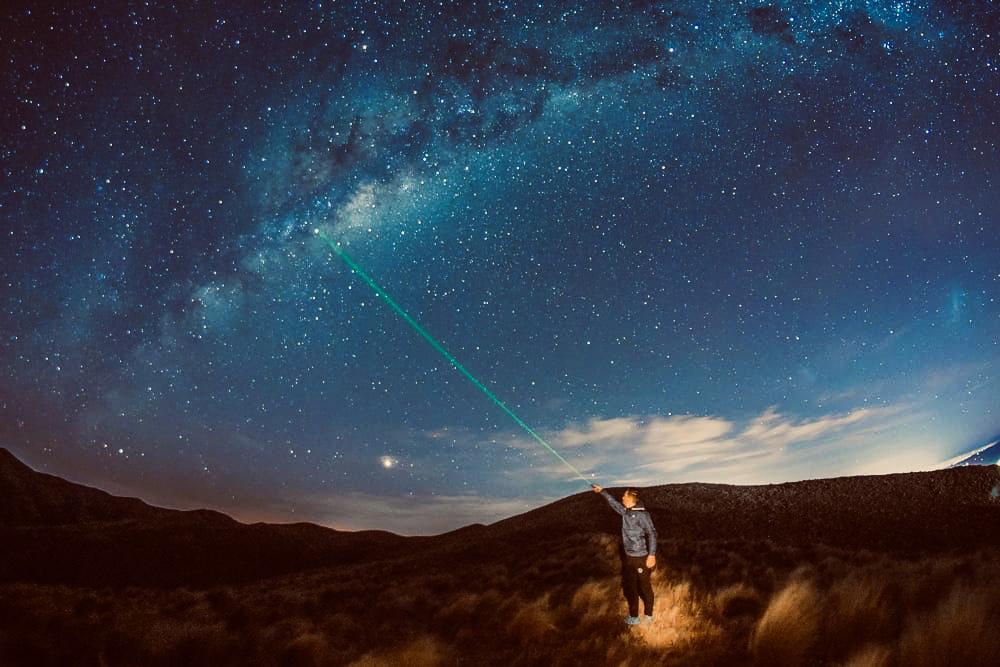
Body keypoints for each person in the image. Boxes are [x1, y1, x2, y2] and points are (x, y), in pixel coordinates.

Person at [592, 484, 657, 626]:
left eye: (624, 495)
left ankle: (649, 616)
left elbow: (652, 533)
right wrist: (602, 491)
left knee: (645, 587)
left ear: (631, 498)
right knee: (631, 587)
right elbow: (614, 504)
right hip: (629, 558)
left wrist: (651, 554)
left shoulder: (642, 515)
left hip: (641, 558)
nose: (622, 497)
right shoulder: (626, 512)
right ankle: (634, 617)